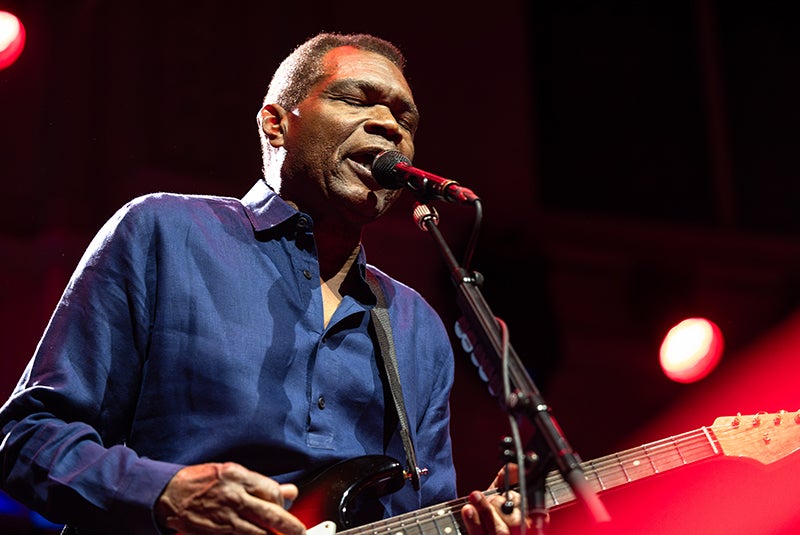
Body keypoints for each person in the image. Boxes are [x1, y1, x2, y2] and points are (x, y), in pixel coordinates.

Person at [0, 32, 523, 535]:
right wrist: (165, 496)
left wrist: (476, 526)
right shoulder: (164, 232)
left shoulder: (416, 327)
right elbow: (26, 437)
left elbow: (419, 513)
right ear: (276, 125)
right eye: (356, 100)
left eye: (404, 118)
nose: (388, 125)